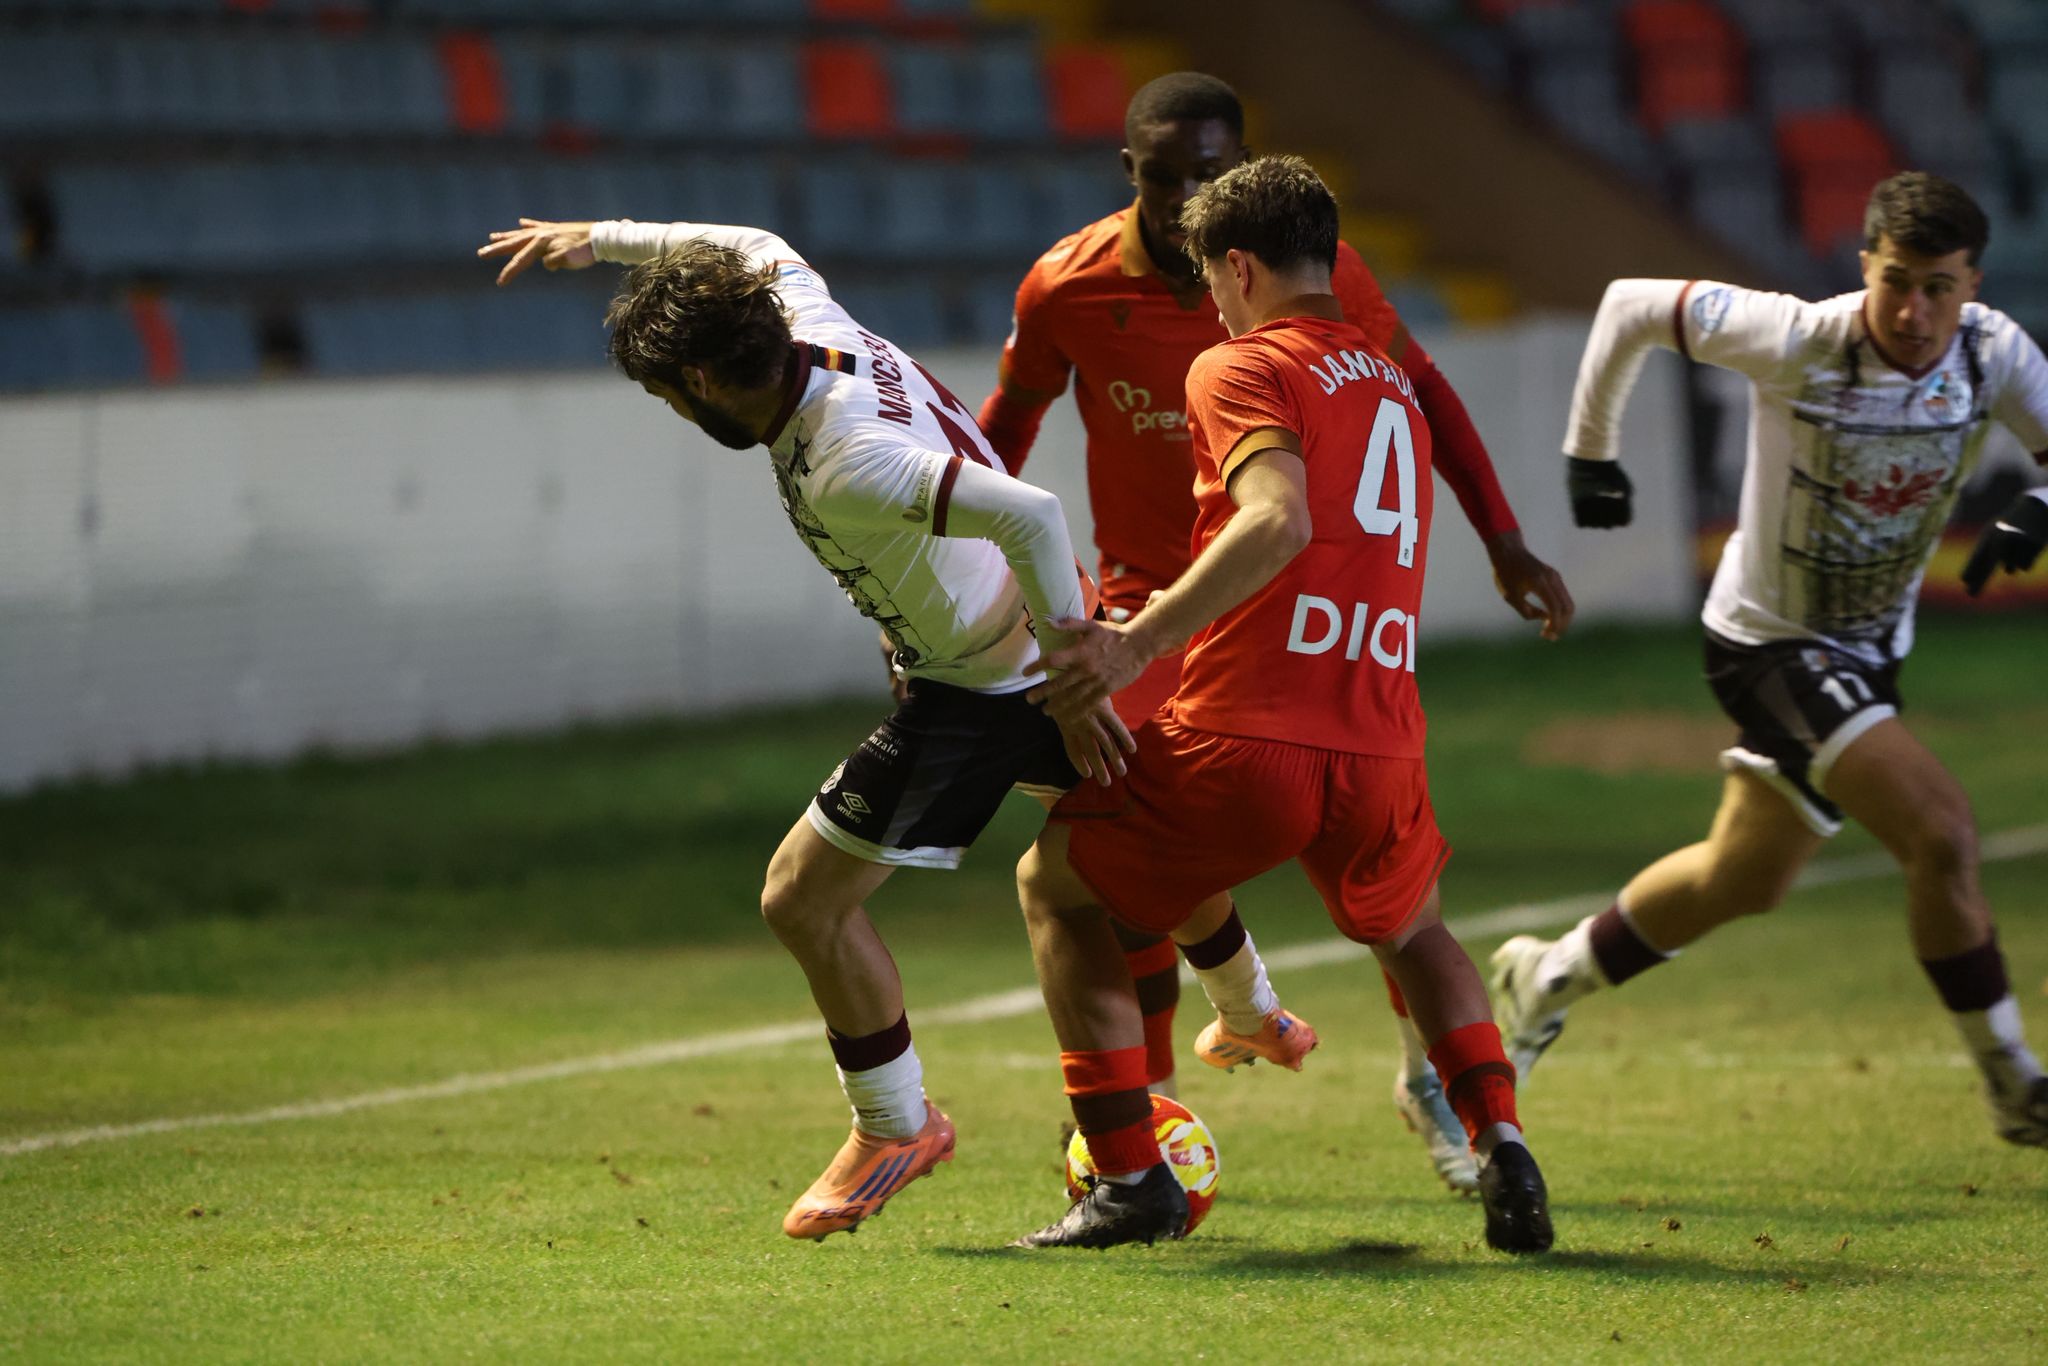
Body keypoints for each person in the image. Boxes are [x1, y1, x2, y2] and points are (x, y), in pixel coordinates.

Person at [477, 214, 1149, 1240]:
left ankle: (897, 1124)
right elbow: (753, 236)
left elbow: (1033, 514)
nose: (671, 409)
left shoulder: (844, 458)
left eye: (666, 395)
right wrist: (601, 238)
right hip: (995, 657)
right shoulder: (798, 313)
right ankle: (1205, 1068)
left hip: (984, 686)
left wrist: (1078, 665)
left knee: (803, 899)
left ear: (702, 383)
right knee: (1122, 872)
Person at [977, 71, 1575, 1192]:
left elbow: (1289, 505)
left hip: (1221, 633)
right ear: (1131, 173)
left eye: (1211, 174)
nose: (1188, 195)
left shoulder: (1276, 314)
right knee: (1122, 828)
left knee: (1082, 866)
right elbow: (1004, 423)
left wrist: (1502, 537)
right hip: (1214, 620)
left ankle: (1196, 1122)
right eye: (1167, 176)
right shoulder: (1065, 285)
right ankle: (1200, 1079)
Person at [1492, 171, 2048, 1150]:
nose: (1914, 311)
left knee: (1740, 878)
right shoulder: (1797, 337)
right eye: (1895, 282)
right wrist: (1591, 450)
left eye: (1938, 287)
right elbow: (1628, 305)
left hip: (1868, 655)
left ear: (1971, 284)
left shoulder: (1990, 352)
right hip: (1766, 643)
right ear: (1864, 266)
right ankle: (2013, 1080)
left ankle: (1544, 977)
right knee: (1942, 835)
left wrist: (2034, 507)